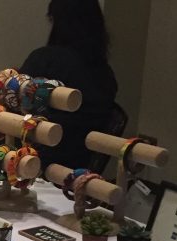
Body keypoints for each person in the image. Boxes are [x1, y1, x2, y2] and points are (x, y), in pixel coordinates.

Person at [19, 0, 118, 170]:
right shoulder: (106, 75)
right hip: (80, 169)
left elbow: (12, 108)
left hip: (33, 163)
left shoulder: (45, 60)